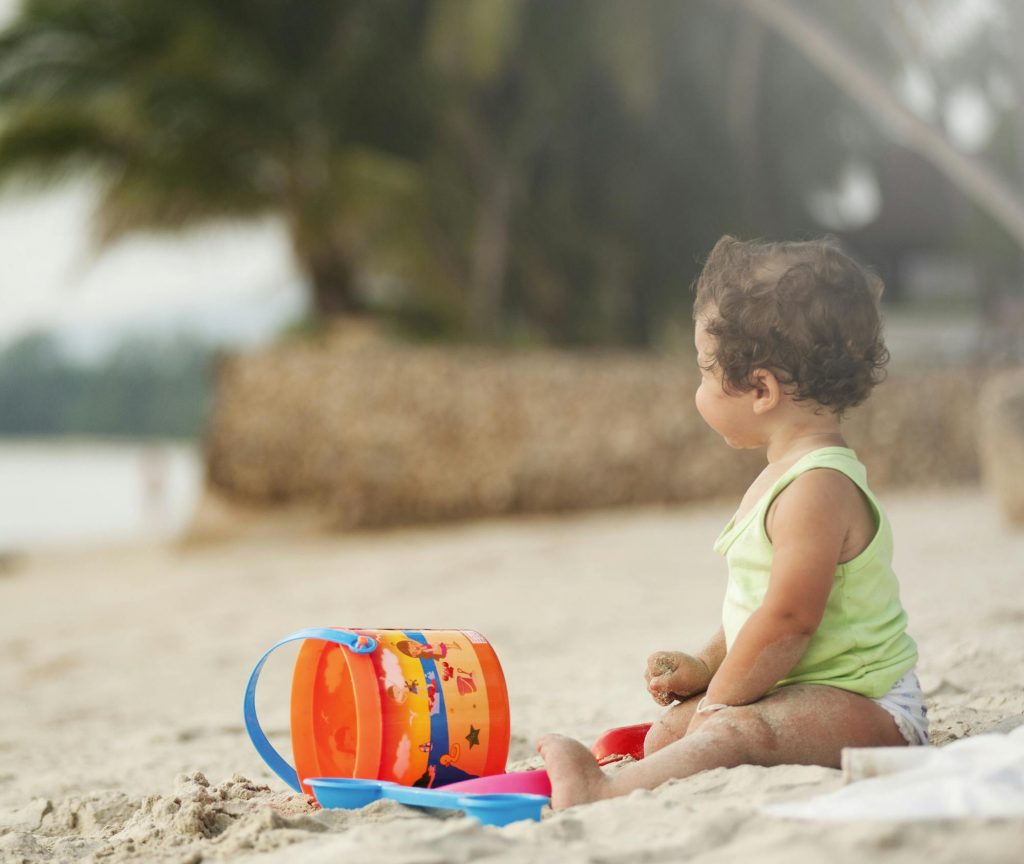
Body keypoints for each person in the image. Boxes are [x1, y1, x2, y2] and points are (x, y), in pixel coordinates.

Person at [537, 235, 928, 809]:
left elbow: (790, 619)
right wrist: (706, 666)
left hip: (872, 707)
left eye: (704, 371)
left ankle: (599, 792)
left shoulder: (817, 487)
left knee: (733, 731)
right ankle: (658, 755)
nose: (698, 388)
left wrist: (720, 703)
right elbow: (762, 606)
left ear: (761, 389)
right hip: (809, 687)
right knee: (671, 732)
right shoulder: (785, 476)